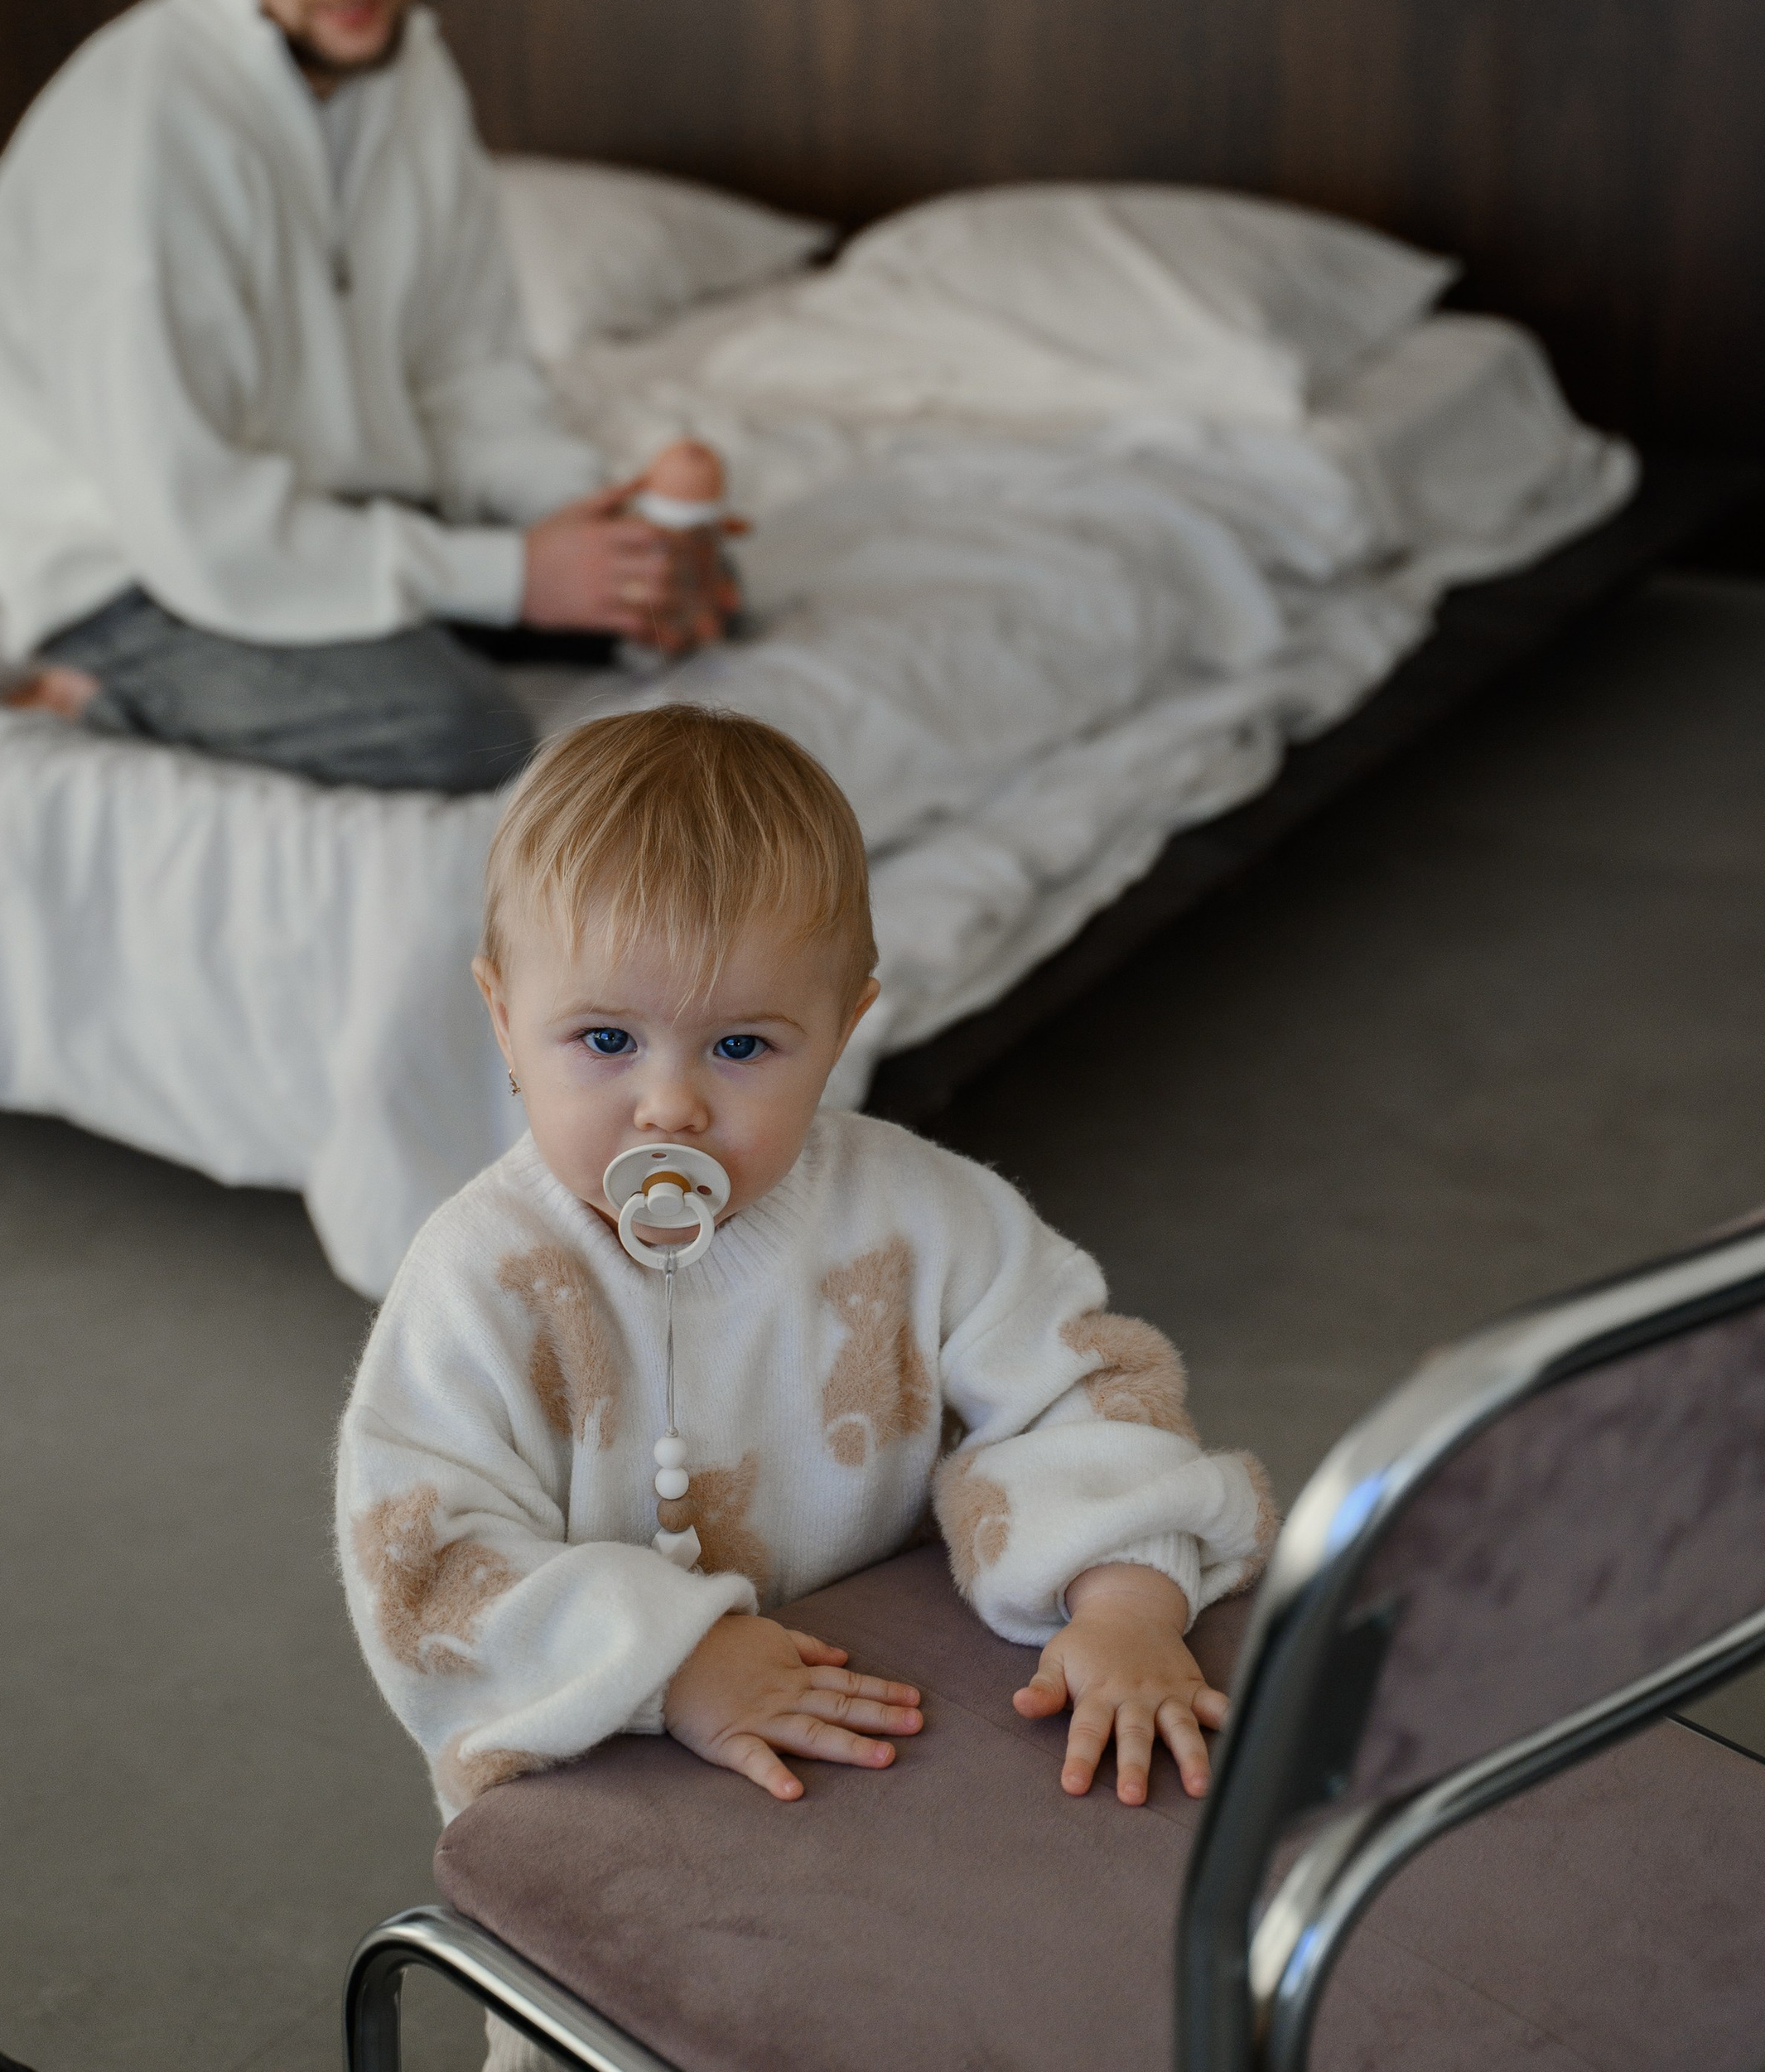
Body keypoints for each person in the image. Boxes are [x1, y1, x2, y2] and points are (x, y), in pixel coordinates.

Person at [336, 707, 1274, 1854]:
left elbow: (1083, 1392)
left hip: (889, 1752)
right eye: (603, 1040)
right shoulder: (482, 1280)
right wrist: (671, 1664)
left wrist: (1127, 1598)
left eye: (741, 1048)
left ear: (840, 1030)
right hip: (598, 1771)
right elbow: (427, 1567)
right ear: (502, 1016)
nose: (670, 1105)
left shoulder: (928, 1218)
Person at [0, 0, 729, 792]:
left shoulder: (415, 76)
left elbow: (465, 374)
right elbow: (196, 521)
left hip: (347, 523)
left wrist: (594, 523)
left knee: (683, 606)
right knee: (463, 734)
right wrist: (508, 576)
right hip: (150, 574)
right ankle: (96, 697)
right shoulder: (141, 139)